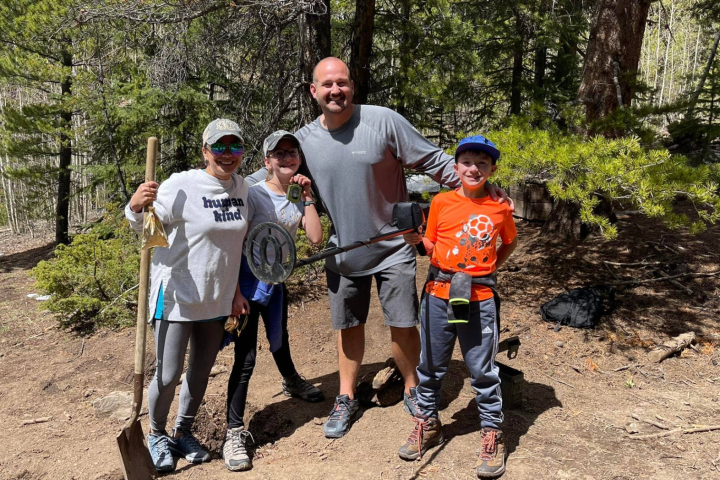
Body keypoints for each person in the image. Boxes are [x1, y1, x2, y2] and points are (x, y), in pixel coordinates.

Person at [246, 57, 512, 439]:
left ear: (351, 86)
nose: (335, 90)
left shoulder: (383, 121)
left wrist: (481, 190)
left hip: (394, 244)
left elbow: (436, 160)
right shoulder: (303, 140)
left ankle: (412, 388)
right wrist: (220, 189)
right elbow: (266, 174)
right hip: (343, 252)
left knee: (403, 322)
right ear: (314, 91)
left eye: (342, 83)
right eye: (327, 84)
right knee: (348, 325)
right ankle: (346, 395)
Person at [125, 118, 251, 473]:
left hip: (218, 296)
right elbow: (151, 232)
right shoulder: (182, 185)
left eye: (235, 147)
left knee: (200, 371)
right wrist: (137, 207)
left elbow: (239, 245)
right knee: (167, 376)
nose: (228, 155)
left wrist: (237, 291)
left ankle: (183, 432)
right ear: (205, 151)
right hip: (177, 295)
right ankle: (156, 433)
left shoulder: (243, 189)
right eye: (220, 147)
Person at [397, 134, 517, 479]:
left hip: (479, 298)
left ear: (492, 168)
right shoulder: (441, 203)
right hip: (438, 292)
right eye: (467, 162)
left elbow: (508, 242)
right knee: (431, 365)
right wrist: (417, 239)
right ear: (455, 166)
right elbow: (432, 244)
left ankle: (493, 433)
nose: (474, 168)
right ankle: (428, 423)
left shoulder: (500, 206)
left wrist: (489, 267)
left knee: (482, 370)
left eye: (482, 163)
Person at [223, 131, 324, 471]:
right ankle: (234, 432)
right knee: (246, 356)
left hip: (276, 281)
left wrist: (308, 197)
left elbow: (314, 237)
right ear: (266, 161)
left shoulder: (298, 195)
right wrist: (235, 292)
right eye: (277, 154)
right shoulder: (252, 195)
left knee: (279, 339)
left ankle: (291, 380)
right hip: (248, 284)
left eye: (291, 152)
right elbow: (235, 243)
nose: (286, 158)